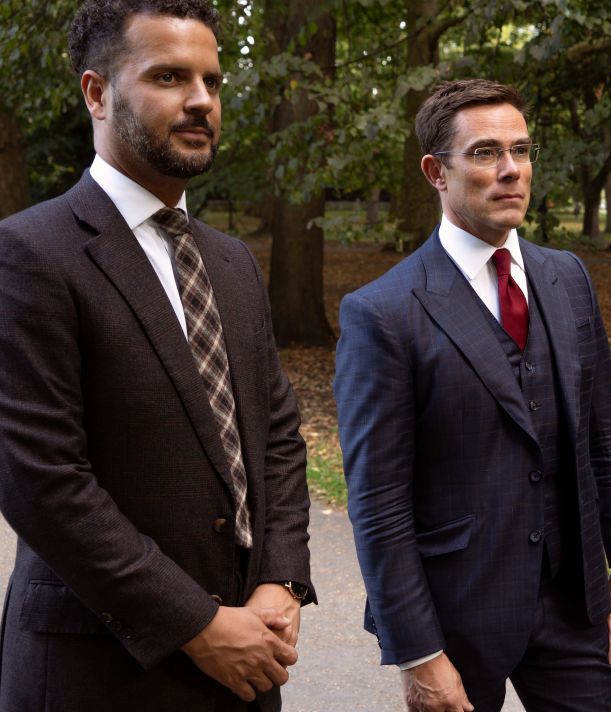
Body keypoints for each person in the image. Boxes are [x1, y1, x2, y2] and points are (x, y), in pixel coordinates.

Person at [0, 2, 315, 710]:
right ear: (97, 92)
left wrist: (280, 580)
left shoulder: (232, 262)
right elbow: (42, 480)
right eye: (170, 77)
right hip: (101, 671)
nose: (201, 100)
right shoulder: (28, 253)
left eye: (212, 79)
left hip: (248, 663)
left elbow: (278, 438)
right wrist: (196, 623)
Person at [334, 79, 611, 712]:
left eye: (521, 150)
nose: (511, 170)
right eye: (484, 153)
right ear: (436, 172)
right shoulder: (384, 312)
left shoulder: (567, 276)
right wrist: (418, 653)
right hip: (455, 617)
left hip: (572, 608)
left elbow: (605, 437)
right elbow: (378, 502)